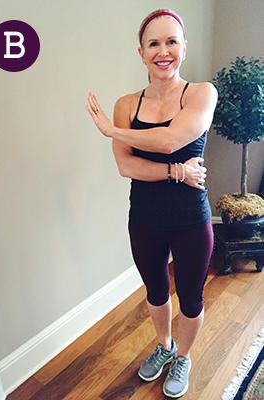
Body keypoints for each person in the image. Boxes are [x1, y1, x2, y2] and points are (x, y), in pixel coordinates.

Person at [86, 9, 217, 399]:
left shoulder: (201, 93)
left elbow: (169, 141)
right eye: (154, 43)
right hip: (144, 217)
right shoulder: (128, 104)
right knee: (155, 290)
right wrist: (179, 173)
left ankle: (184, 356)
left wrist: (112, 131)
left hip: (192, 219)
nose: (164, 51)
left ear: (184, 48)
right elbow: (125, 165)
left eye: (172, 41)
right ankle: (164, 346)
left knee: (191, 297)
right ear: (141, 53)